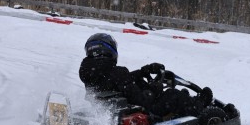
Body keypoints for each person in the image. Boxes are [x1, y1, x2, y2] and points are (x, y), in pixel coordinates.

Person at [79, 33, 213, 119]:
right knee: (173, 95)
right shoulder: (117, 73)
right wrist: (154, 88)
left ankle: (186, 101)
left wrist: (143, 71)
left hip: (113, 109)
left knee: (141, 83)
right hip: (136, 109)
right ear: (110, 50)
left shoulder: (91, 72)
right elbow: (143, 100)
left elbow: (115, 82)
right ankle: (199, 106)